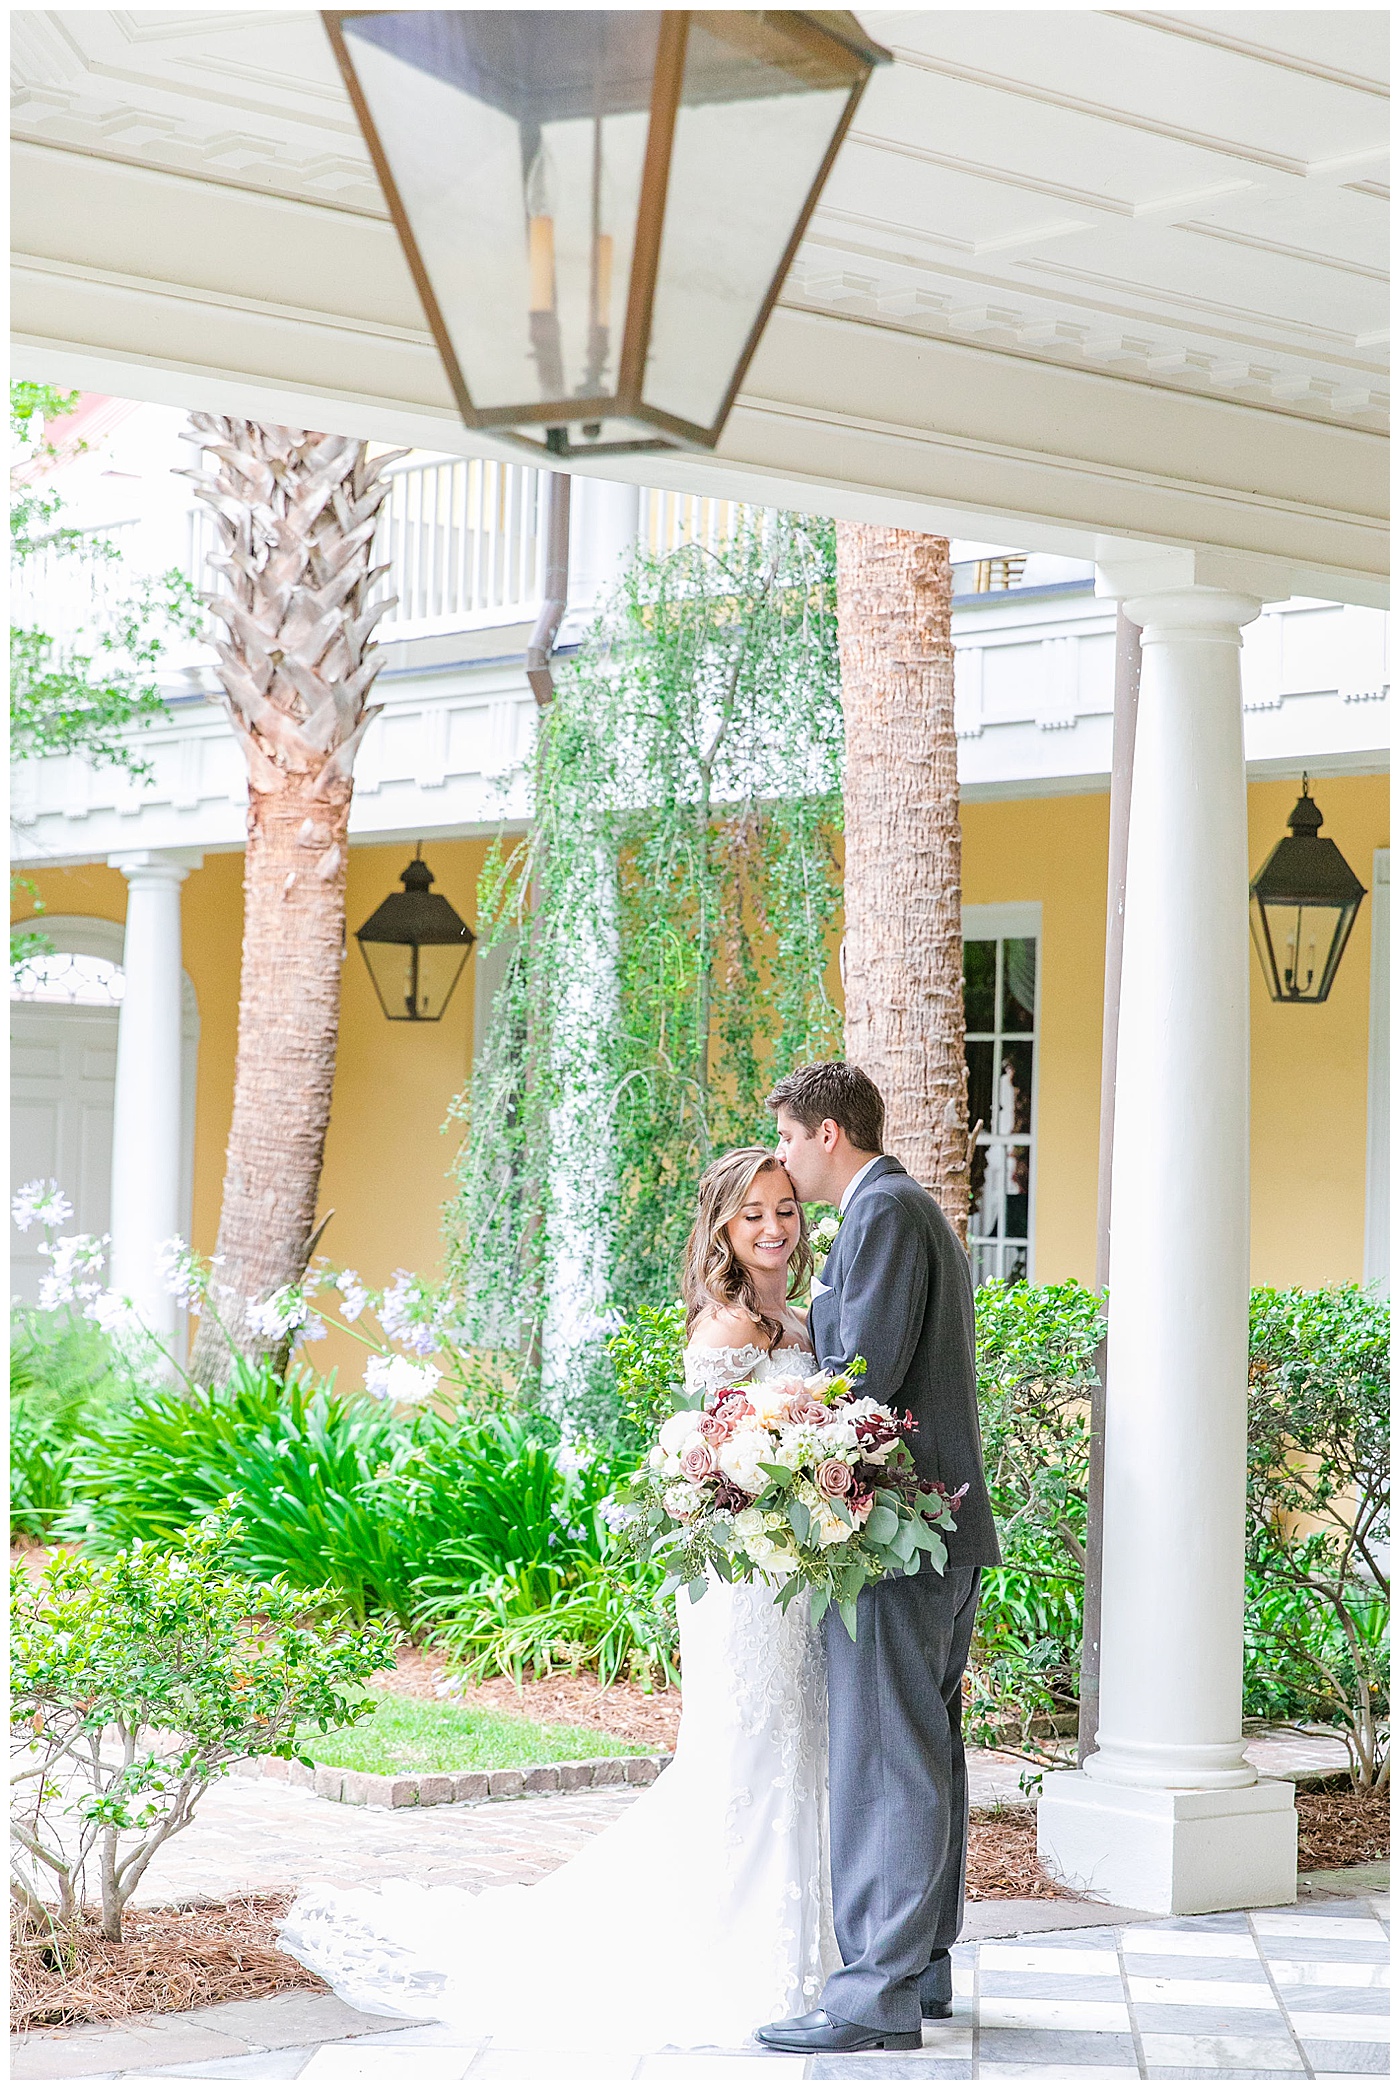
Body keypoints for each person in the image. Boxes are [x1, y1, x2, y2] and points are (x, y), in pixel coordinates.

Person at [278, 1146, 839, 2050]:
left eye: (786, 1209)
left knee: (801, 1748)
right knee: (746, 1756)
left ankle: (811, 1958)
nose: (776, 1228)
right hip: (740, 1584)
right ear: (723, 1232)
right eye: (754, 1216)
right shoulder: (728, 1330)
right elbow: (713, 1467)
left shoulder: (806, 1322)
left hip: (796, 1578)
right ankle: (734, 1960)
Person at [756, 1060, 1001, 2056]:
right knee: (919, 1749)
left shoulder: (885, 1211)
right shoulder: (899, 1208)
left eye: (784, 1135)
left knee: (884, 1758)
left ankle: (872, 1993)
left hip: (897, 1536)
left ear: (825, 1133)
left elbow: (861, 1373)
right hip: (930, 1533)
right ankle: (918, 1966)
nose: (779, 1155)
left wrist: (782, 1391)